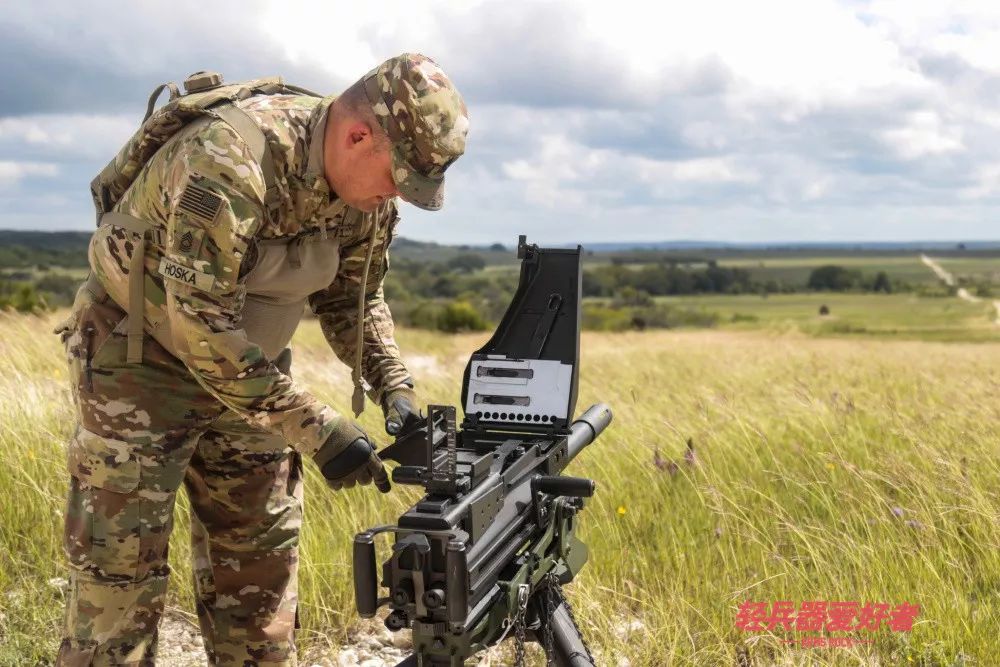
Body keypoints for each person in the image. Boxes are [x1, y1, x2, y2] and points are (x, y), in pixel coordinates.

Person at [54, 53, 469, 665]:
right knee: (120, 569)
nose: (395, 196)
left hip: (254, 376)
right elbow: (201, 327)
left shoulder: (368, 193)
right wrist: (320, 431)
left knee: (260, 562)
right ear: (358, 137)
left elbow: (354, 298)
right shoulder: (229, 159)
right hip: (141, 363)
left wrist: (393, 389)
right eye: (397, 178)